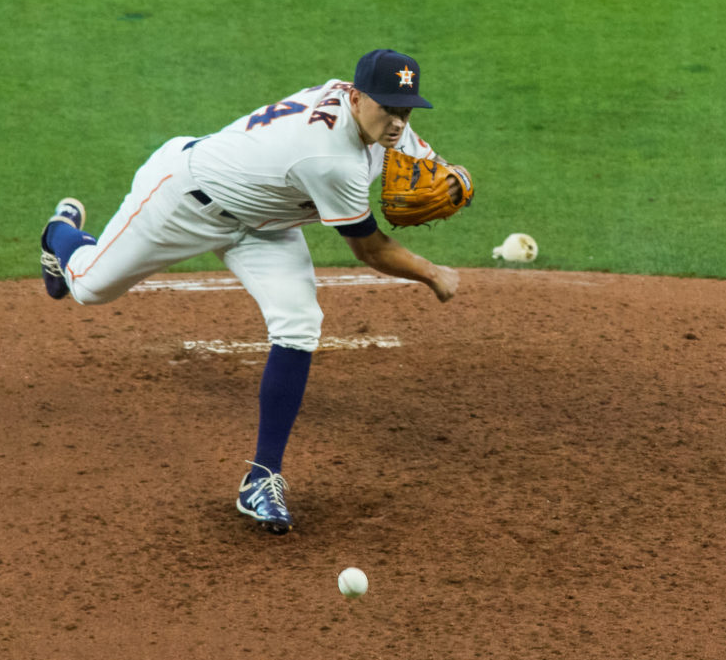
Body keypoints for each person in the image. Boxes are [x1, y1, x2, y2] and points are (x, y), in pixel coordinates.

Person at [39, 48, 470, 535]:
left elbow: (421, 154)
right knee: (90, 286)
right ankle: (60, 234)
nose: (396, 123)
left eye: (405, 110)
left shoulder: (375, 117)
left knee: (299, 322)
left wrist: (454, 177)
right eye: (387, 109)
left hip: (265, 224)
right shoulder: (330, 159)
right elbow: (370, 250)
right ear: (354, 96)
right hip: (183, 199)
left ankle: (262, 478)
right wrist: (432, 273)